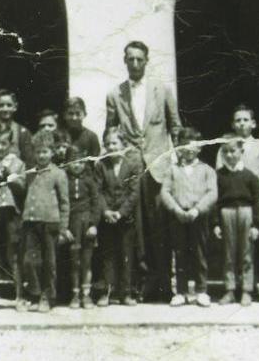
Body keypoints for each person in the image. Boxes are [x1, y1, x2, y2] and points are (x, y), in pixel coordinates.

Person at [104, 40, 181, 303]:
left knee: (159, 227)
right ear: (124, 61)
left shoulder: (161, 90)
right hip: (132, 169)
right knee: (134, 230)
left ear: (147, 61)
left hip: (158, 167)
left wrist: (177, 164)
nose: (135, 63)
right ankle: (138, 285)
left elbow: (176, 128)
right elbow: (110, 132)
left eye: (139, 59)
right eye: (130, 59)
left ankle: (165, 285)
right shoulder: (115, 94)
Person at [161, 128, 216, 307]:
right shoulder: (172, 170)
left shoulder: (207, 170)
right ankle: (181, 292)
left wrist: (197, 210)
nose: (188, 149)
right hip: (178, 216)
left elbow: (212, 193)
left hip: (198, 217)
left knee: (199, 253)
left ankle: (201, 290)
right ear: (178, 147)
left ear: (200, 148)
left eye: (193, 145)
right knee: (180, 253)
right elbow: (165, 192)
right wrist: (176, 209)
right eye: (184, 145)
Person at [19, 135, 69, 313]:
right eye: (38, 152)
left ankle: (48, 296)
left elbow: (64, 202)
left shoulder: (58, 173)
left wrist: (63, 228)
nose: (41, 155)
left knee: (50, 262)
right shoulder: (30, 173)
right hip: (31, 222)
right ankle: (35, 292)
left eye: (45, 152)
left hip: (50, 224)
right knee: (30, 261)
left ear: (52, 153)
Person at [94, 127, 142, 306]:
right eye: (107, 144)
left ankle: (126, 293)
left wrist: (121, 213)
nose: (111, 147)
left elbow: (134, 193)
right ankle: (106, 292)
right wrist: (105, 211)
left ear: (124, 144)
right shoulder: (101, 165)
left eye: (115, 143)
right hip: (107, 219)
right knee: (108, 256)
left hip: (125, 219)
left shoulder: (132, 165)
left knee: (126, 255)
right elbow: (97, 191)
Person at [214, 138, 259, 306]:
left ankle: (246, 290)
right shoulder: (219, 176)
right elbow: (215, 201)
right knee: (228, 253)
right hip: (226, 213)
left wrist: (256, 224)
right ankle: (229, 290)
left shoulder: (250, 176)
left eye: (233, 151)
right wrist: (216, 223)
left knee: (247, 252)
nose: (229, 155)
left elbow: (258, 201)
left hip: (246, 213)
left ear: (241, 152)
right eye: (225, 152)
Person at [0, 129, 26, 306]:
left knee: (12, 250)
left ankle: (19, 292)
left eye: (4, 144)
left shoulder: (18, 163)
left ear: (11, 145)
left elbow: (23, 187)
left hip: (11, 211)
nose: (0, 147)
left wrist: (9, 176)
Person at [65, 143, 102, 309]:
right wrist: (63, 227)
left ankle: (86, 295)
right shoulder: (64, 181)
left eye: (80, 162)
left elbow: (96, 204)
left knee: (86, 261)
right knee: (74, 262)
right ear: (67, 163)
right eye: (73, 162)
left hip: (86, 225)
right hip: (72, 225)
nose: (77, 165)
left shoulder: (90, 181)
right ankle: (74, 294)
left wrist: (94, 224)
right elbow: (62, 205)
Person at [216, 105, 259, 184]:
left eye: (245, 120)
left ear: (253, 123)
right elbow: (219, 170)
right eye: (238, 120)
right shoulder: (225, 147)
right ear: (233, 125)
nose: (242, 123)